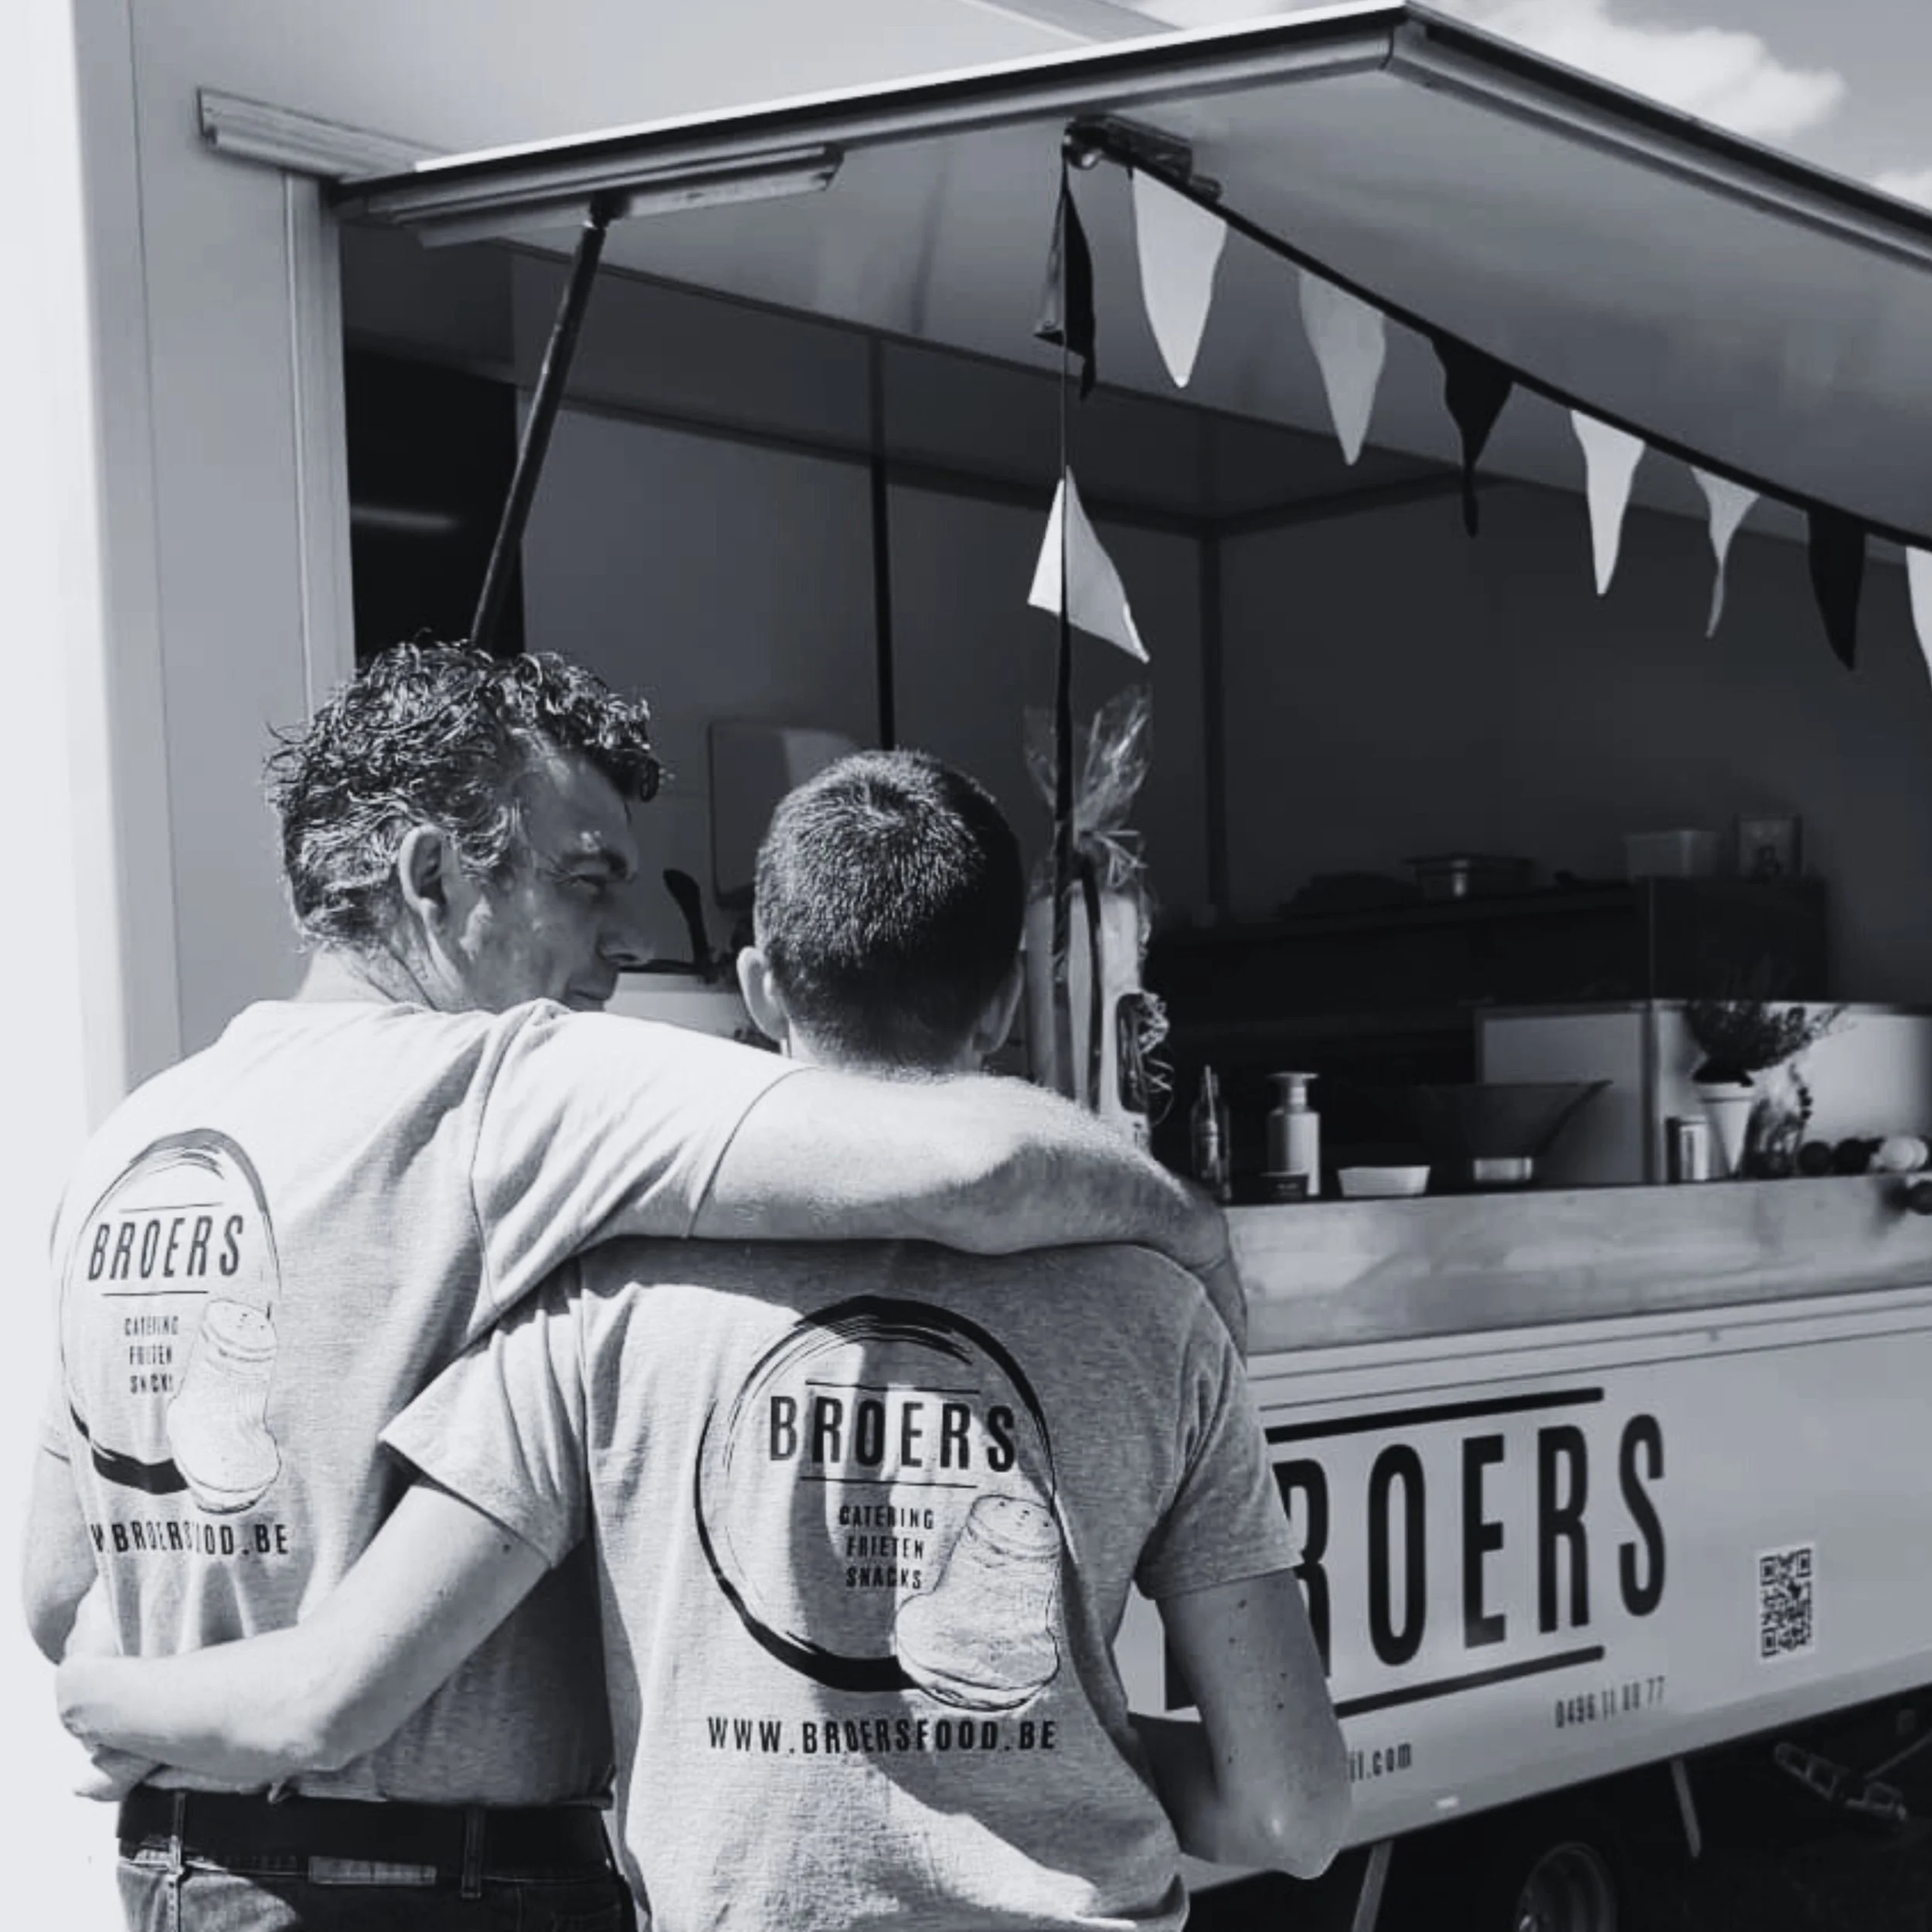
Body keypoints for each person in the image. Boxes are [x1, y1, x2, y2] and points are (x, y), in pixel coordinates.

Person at [24, 644, 1241, 1930]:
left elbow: (58, 1589)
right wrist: (1193, 1234)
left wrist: (135, 1697)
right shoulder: (508, 1085)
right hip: (447, 1887)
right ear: (434, 879)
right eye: (588, 879)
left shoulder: (135, 1138)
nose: (634, 933)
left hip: (178, 1871)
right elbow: (971, 1162)